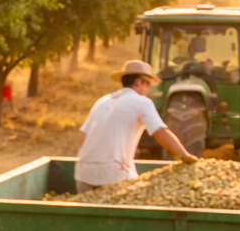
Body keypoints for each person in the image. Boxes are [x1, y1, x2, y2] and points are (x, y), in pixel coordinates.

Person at [74, 58, 198, 193]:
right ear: (138, 82)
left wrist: (94, 161)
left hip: (82, 175)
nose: (149, 89)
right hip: (113, 176)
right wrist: (185, 156)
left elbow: (83, 133)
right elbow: (160, 132)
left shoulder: (102, 102)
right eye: (148, 84)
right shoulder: (142, 102)